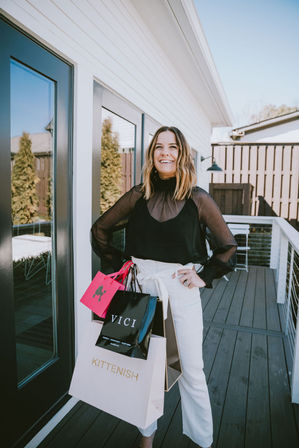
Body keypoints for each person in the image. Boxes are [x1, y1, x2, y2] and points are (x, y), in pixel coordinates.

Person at [91, 126, 237, 448]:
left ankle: (202, 440)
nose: (165, 152)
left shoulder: (198, 199)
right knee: (144, 370)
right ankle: (146, 436)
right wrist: (119, 267)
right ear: (152, 154)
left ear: (181, 154)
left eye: (172, 147)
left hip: (180, 292)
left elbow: (227, 247)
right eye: (159, 147)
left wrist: (203, 275)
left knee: (190, 370)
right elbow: (100, 229)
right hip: (141, 291)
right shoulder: (137, 196)